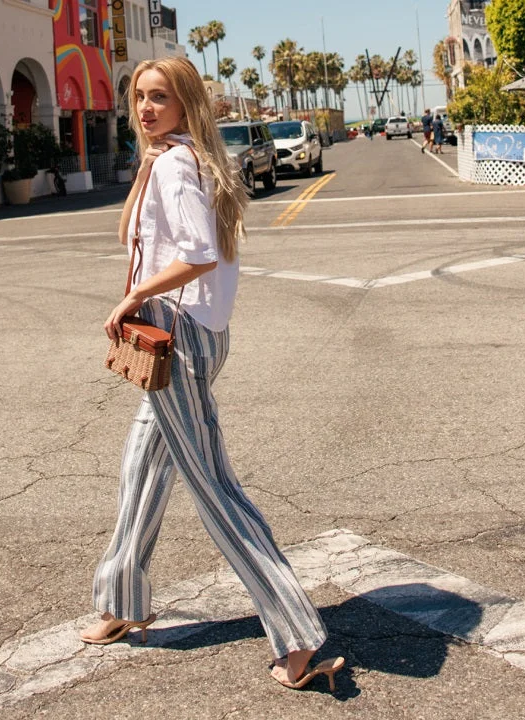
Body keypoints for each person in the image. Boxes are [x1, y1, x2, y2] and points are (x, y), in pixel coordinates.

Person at [79, 56, 344, 691]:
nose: (145, 109)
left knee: (214, 487)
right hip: (197, 335)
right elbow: (133, 236)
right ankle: (122, 602)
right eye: (139, 98)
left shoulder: (176, 165)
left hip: (180, 337)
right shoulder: (180, 158)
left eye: (160, 98)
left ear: (185, 102)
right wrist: (145, 166)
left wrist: (128, 298)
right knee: (141, 468)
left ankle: (297, 635)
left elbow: (196, 254)